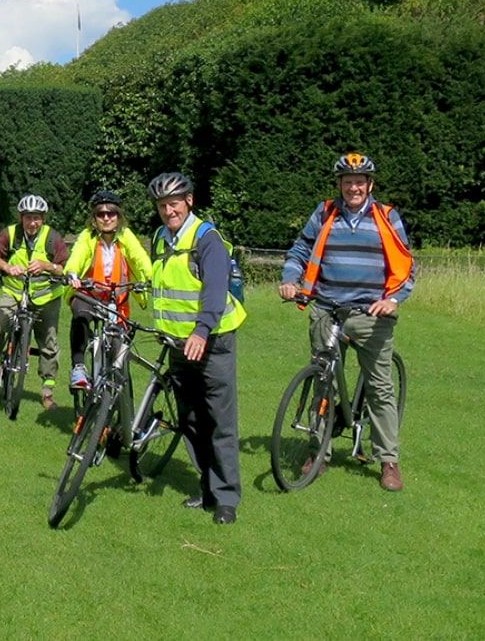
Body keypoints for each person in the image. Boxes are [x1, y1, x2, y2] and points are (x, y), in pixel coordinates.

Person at [278, 152, 413, 492]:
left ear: (370, 184)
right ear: (339, 184)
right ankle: (318, 452)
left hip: (371, 314)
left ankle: (388, 460)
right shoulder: (325, 213)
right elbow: (299, 250)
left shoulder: (387, 217)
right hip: (326, 309)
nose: (354, 187)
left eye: (360, 181)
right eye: (348, 181)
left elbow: (406, 267)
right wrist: (290, 279)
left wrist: (392, 299)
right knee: (323, 382)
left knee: (380, 387)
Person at [148, 171, 246, 524]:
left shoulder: (207, 238)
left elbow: (215, 289)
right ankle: (207, 486)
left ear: (189, 201)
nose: (168, 211)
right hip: (177, 344)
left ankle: (226, 499)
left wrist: (202, 330)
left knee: (219, 420)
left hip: (212, 341)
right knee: (189, 420)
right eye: (162, 205)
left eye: (173, 203)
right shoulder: (160, 238)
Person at [0, 194, 68, 410]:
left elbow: (66, 267)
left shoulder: (52, 238)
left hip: (46, 298)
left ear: (43, 218)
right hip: (15, 294)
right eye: (28, 218)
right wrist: (7, 267)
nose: (32, 223)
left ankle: (47, 392)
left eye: (36, 218)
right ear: (21, 218)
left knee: (49, 343)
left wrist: (47, 266)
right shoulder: (11, 234)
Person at [63, 190, 153, 390]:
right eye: (100, 214)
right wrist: (72, 274)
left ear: (119, 216)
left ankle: (125, 415)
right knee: (80, 315)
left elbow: (140, 258)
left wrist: (151, 278)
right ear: (94, 218)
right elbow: (76, 257)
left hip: (116, 299)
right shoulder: (88, 237)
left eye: (111, 213)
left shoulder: (126, 236)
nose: (106, 218)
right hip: (89, 295)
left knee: (119, 356)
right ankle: (78, 367)